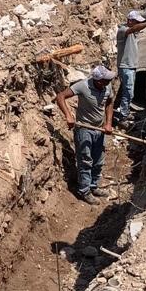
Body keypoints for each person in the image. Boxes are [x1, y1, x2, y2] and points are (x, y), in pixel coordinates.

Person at [56, 65, 115, 204]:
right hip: (84, 129)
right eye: (106, 80)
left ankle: (93, 186)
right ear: (98, 80)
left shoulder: (108, 86)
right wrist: (68, 116)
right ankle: (84, 190)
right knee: (85, 160)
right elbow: (60, 96)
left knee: (98, 160)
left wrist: (108, 123)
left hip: (99, 129)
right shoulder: (83, 86)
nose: (108, 82)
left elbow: (110, 102)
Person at [115, 10, 146, 121]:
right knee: (128, 92)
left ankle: (125, 112)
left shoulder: (133, 32)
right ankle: (123, 116)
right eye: (136, 22)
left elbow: (135, 29)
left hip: (131, 66)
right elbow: (133, 29)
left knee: (129, 92)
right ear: (130, 21)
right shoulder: (123, 30)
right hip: (125, 66)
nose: (138, 24)